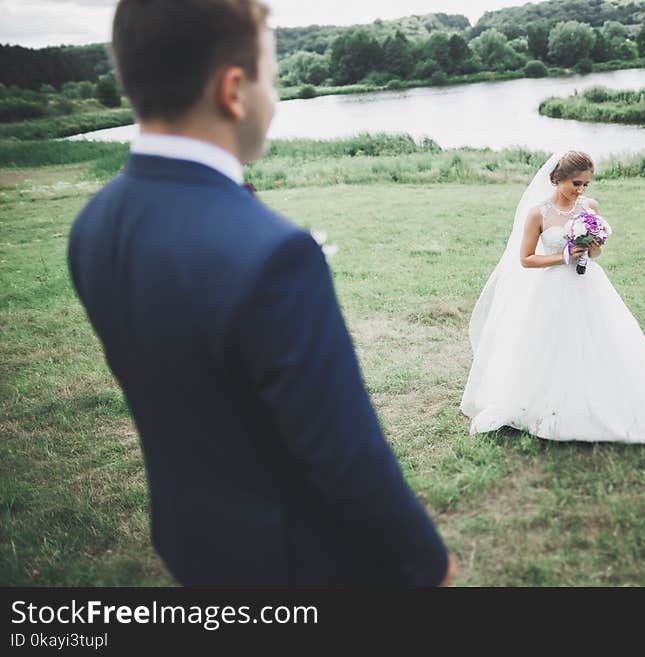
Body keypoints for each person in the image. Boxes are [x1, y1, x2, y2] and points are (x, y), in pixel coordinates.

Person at [68, 0, 454, 587]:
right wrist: (430, 562)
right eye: (272, 79)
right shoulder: (273, 253)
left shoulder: (94, 223)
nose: (274, 96)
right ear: (233, 91)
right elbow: (346, 455)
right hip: (296, 567)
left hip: (190, 541)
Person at [461, 150, 645, 444]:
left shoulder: (589, 207)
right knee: (549, 343)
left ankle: (599, 400)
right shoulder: (538, 213)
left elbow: (595, 253)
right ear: (557, 179)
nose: (580, 191)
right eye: (575, 184)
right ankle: (544, 404)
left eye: (586, 184)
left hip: (588, 284)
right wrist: (563, 256)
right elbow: (527, 259)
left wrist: (593, 244)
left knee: (598, 338)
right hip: (551, 287)